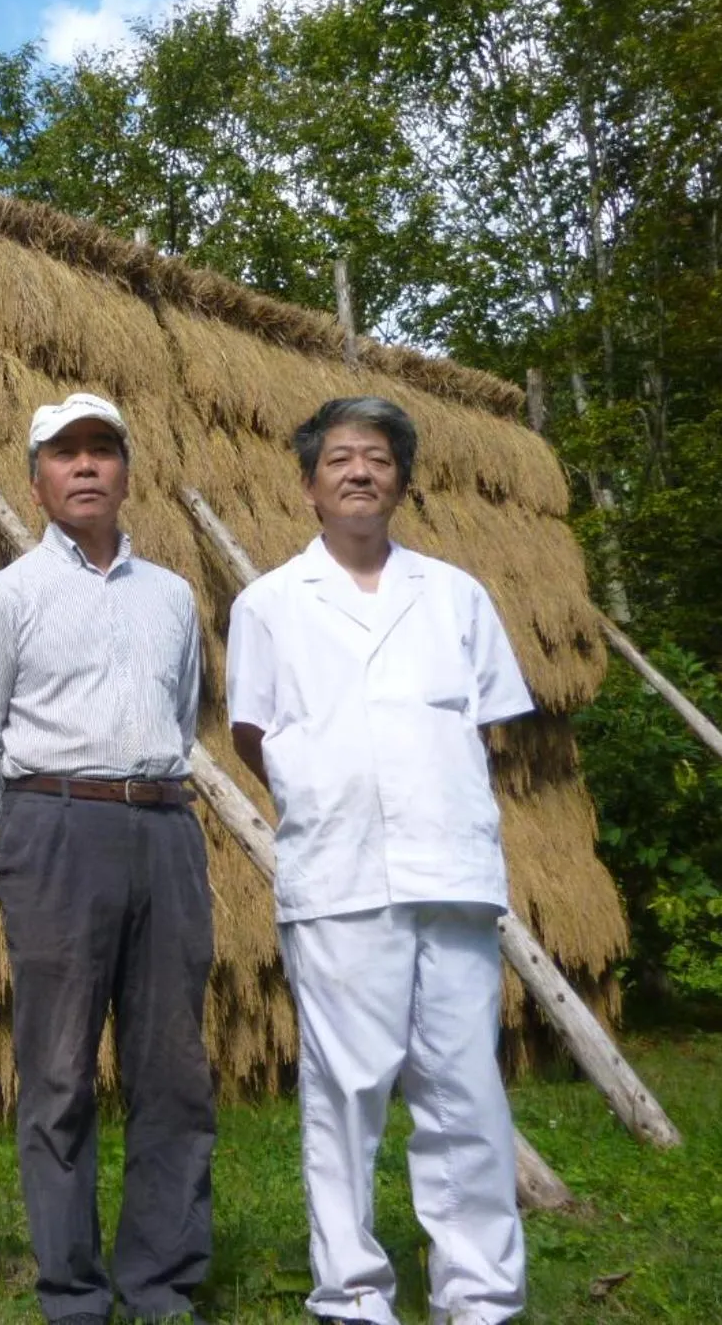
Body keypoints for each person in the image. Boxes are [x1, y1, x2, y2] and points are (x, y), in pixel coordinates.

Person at [226, 397, 531, 1325]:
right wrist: (329, 789)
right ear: (310, 484)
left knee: (466, 1090)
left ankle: (478, 1293)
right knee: (345, 1092)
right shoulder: (270, 603)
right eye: (341, 460)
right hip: (340, 877)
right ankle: (352, 1294)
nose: (360, 473)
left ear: (403, 479)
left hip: (451, 871)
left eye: (379, 459)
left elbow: (489, 723)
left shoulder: (455, 595)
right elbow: (253, 735)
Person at [0, 393, 212, 1325]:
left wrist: (140, 801)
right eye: (68, 454)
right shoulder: (2, 599)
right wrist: (34, 826)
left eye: (105, 450)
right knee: (58, 1072)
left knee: (173, 1070)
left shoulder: (173, 597)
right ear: (38, 478)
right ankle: (72, 1292)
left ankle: (162, 1282)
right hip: (56, 830)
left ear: (127, 472)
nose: (88, 467)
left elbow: (182, 717)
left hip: (166, 828)